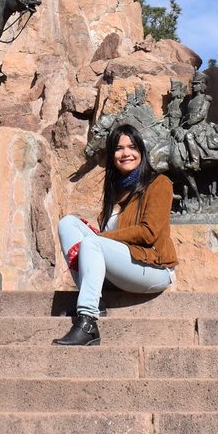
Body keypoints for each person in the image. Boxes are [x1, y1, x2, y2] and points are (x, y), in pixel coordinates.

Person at [54, 124, 177, 345]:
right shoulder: (115, 190)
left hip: (152, 268)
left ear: (141, 151)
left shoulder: (159, 184)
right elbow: (110, 240)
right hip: (122, 270)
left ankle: (88, 321)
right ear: (112, 154)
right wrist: (98, 238)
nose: (125, 153)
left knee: (93, 243)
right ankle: (93, 297)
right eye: (119, 148)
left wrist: (98, 239)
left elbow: (148, 233)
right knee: (67, 224)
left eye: (132, 147)